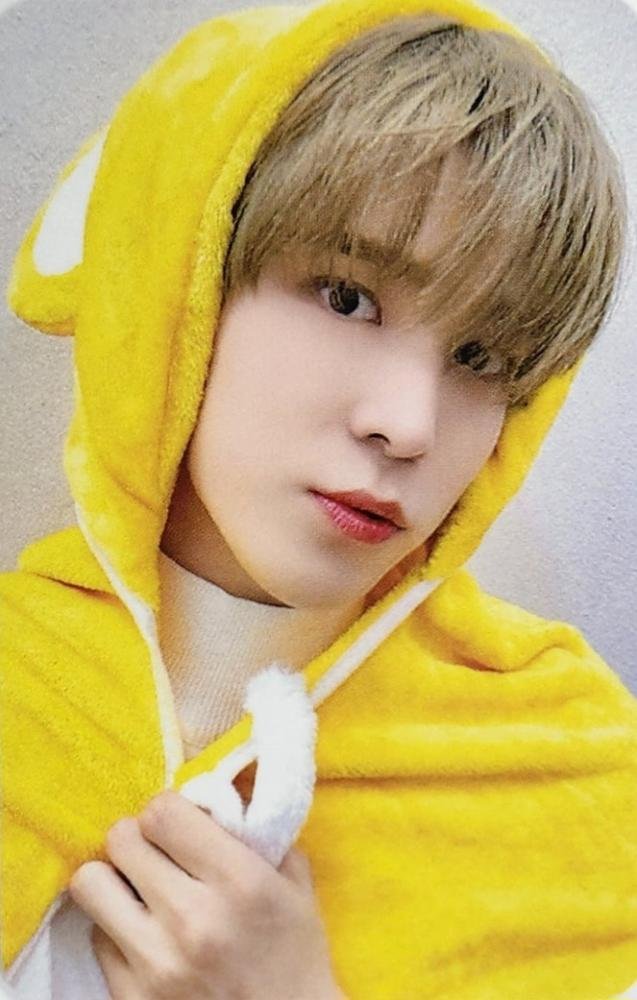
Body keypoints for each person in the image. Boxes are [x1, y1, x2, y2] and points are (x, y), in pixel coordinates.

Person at [2, 0, 636, 997]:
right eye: (347, 296)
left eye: (482, 356)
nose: (409, 424)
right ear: (178, 280)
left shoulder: (565, 759)